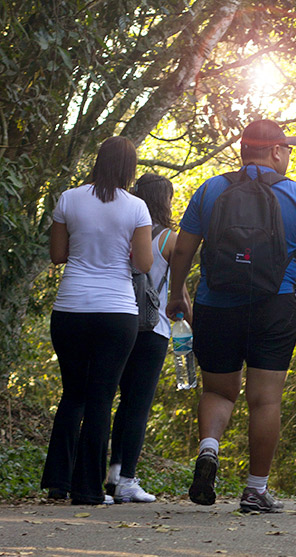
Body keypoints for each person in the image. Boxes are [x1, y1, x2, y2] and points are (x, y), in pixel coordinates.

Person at [166, 119, 296, 513]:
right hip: (273, 308)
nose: (289, 155)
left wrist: (177, 294)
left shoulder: (211, 189)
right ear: (276, 151)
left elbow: (182, 250)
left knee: (217, 391)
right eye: (288, 149)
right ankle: (255, 490)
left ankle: (209, 450)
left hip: (216, 304)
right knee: (265, 401)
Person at [41, 136, 153, 505]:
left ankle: (58, 481)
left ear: (97, 160)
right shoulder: (136, 207)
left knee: (73, 394)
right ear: (129, 168)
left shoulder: (69, 199)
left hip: (71, 307)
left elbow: (58, 255)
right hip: (116, 311)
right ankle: (88, 490)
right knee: (102, 398)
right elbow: (143, 264)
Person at [104, 173, 191, 503]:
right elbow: (180, 292)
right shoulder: (171, 239)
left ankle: (112, 475)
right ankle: (127, 479)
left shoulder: (125, 230)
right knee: (136, 406)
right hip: (154, 329)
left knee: (114, 402)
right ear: (164, 200)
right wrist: (193, 331)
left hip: (118, 320)